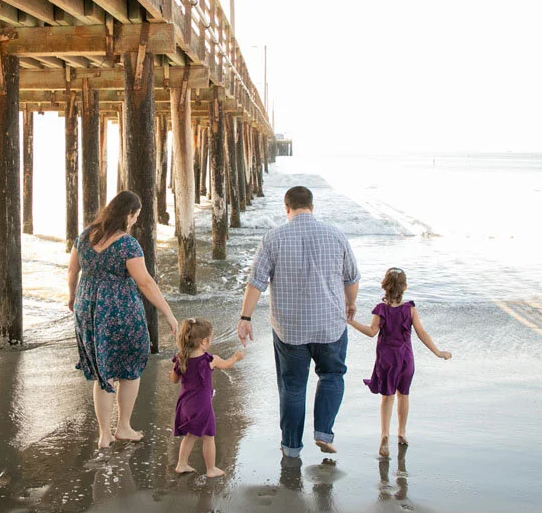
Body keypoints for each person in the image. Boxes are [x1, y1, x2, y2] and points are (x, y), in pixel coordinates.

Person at [237, 185, 360, 458]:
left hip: (290, 329)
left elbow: (255, 282)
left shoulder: (273, 237)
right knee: (331, 375)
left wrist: (245, 317)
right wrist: (350, 304)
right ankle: (323, 432)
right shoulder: (336, 235)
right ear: (312, 207)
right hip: (330, 324)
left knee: (292, 387)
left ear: (287, 208)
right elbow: (351, 278)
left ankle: (291, 447)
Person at [68, 190, 179, 449]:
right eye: (135, 216)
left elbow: (73, 269)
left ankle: (104, 434)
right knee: (130, 365)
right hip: (119, 309)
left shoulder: (84, 236)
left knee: (102, 370)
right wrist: (168, 314)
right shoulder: (126, 244)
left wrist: (73, 297)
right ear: (128, 214)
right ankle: (124, 427)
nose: (134, 222)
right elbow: (145, 283)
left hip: (87, 307)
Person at [348, 267, 451, 457]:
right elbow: (421, 333)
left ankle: (384, 435)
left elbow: (372, 332)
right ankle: (402, 432)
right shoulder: (410, 309)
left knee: (387, 397)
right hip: (406, 360)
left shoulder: (381, 309)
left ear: (384, 286)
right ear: (405, 287)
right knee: (403, 394)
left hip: (387, 359)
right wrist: (438, 352)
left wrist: (351, 322)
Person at [170, 317, 244, 477]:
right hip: (202, 405)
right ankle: (211, 469)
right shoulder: (209, 360)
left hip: (184, 404)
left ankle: (181, 464)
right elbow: (226, 364)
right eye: (210, 339)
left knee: (191, 434)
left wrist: (172, 371)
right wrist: (236, 357)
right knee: (209, 436)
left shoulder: (181, 358)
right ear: (203, 342)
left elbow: (174, 379)